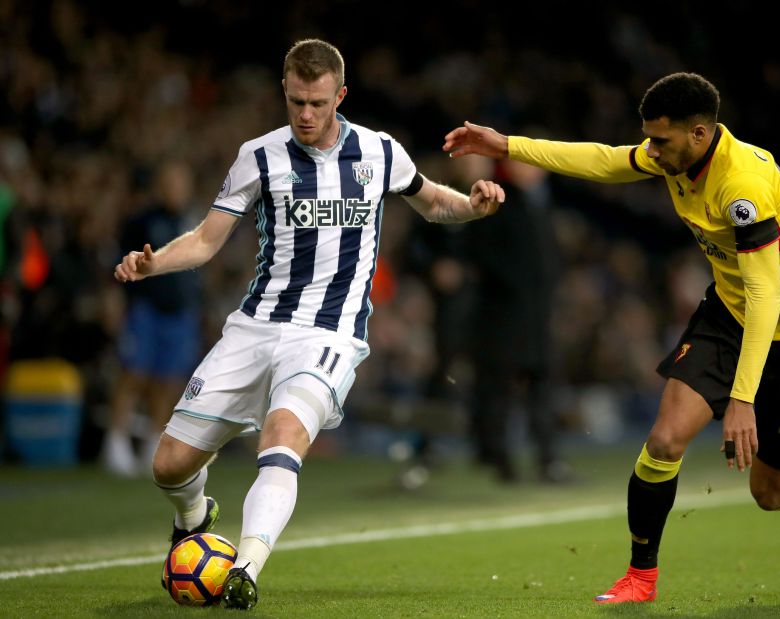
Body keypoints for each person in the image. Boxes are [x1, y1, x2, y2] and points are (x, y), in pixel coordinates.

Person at [114, 39, 504, 610]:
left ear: (339, 96)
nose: (305, 115)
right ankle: (195, 520)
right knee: (169, 465)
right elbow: (203, 240)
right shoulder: (259, 156)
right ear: (285, 92)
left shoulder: (380, 152)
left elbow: (431, 202)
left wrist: (472, 206)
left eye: (317, 103)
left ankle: (244, 568)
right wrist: (153, 263)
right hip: (254, 327)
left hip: (329, 335)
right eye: (296, 101)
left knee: (283, 437)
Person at [443, 72, 780, 604]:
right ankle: (641, 575)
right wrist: (506, 145)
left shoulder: (743, 187)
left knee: (772, 494)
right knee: (664, 439)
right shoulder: (677, 155)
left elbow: (769, 298)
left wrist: (741, 399)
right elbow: (603, 160)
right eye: (649, 138)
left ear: (700, 135)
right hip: (731, 313)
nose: (650, 150)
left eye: (660, 140)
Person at [462, 158, 571, 483]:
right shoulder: (502, 201)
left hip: (534, 315)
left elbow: (549, 260)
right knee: (500, 388)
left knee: (540, 387)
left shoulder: (540, 204)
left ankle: (548, 459)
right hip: (504, 317)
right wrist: (518, 288)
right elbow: (484, 253)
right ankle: (498, 458)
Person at [103, 161, 203, 477]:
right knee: (133, 373)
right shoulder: (142, 221)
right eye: (170, 182)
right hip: (145, 309)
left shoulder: (194, 222)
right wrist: (117, 302)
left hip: (181, 312)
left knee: (168, 380)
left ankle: (150, 443)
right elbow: (119, 263)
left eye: (180, 182)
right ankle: (116, 441)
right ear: (160, 185)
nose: (176, 189)